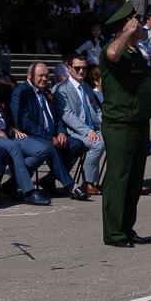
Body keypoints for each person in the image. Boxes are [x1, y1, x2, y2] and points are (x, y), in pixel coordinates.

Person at [99, 2, 151, 247]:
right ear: (125, 24)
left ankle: (126, 228)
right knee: (118, 179)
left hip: (139, 122)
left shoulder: (136, 52)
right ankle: (114, 233)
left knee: (134, 181)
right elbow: (112, 54)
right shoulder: (112, 50)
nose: (140, 23)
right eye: (135, 20)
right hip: (120, 124)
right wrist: (124, 32)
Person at [0, 55, 52, 205]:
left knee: (43, 149)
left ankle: (11, 185)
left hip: (8, 132)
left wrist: (12, 127)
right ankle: (29, 191)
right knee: (14, 147)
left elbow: (4, 114)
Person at [11, 63, 89, 201]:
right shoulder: (21, 92)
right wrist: (50, 137)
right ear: (29, 75)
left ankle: (49, 178)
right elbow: (25, 123)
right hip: (32, 136)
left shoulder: (47, 92)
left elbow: (57, 116)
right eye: (40, 75)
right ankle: (71, 186)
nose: (44, 79)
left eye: (47, 75)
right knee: (50, 146)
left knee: (77, 144)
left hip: (52, 134)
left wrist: (61, 132)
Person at [53, 54, 105, 196]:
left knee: (118, 140)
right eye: (77, 68)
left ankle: (116, 182)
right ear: (69, 68)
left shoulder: (87, 88)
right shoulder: (61, 89)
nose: (81, 71)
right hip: (74, 132)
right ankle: (89, 183)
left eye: (84, 68)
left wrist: (106, 126)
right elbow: (67, 115)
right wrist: (87, 131)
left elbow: (97, 110)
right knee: (98, 144)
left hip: (94, 128)